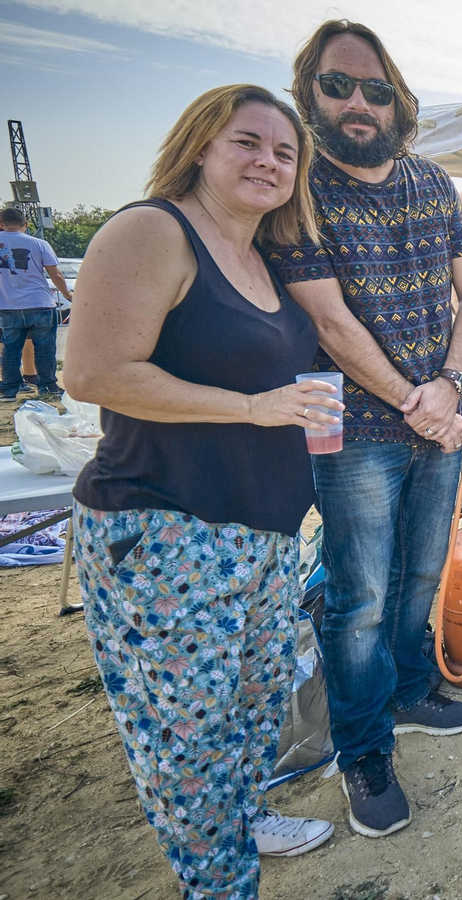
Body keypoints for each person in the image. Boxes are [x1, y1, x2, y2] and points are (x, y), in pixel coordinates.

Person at [65, 84, 341, 898]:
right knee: (186, 738)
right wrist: (252, 409)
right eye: (246, 142)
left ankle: (244, 819)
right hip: (166, 530)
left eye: (285, 152)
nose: (268, 161)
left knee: (255, 706)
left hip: (262, 533)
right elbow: (93, 372)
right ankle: (219, 881)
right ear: (198, 148)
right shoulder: (152, 230)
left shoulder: (263, 258)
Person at [266, 20, 462, 840]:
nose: (358, 103)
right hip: (357, 430)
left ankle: (407, 688)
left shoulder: (433, 182)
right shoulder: (298, 189)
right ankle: (363, 751)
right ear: (309, 93)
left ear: (398, 98)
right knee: (357, 594)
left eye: (374, 88)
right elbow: (327, 321)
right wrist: (417, 399)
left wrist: (453, 387)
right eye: (338, 85)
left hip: (440, 412)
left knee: (422, 573)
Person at [0, 206, 70, 400]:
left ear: (1, 224)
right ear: (26, 224)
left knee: (11, 348)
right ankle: (48, 386)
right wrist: (67, 294)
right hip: (40, 303)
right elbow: (55, 274)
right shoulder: (40, 244)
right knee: (45, 347)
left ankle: (9, 390)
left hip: (8, 306)